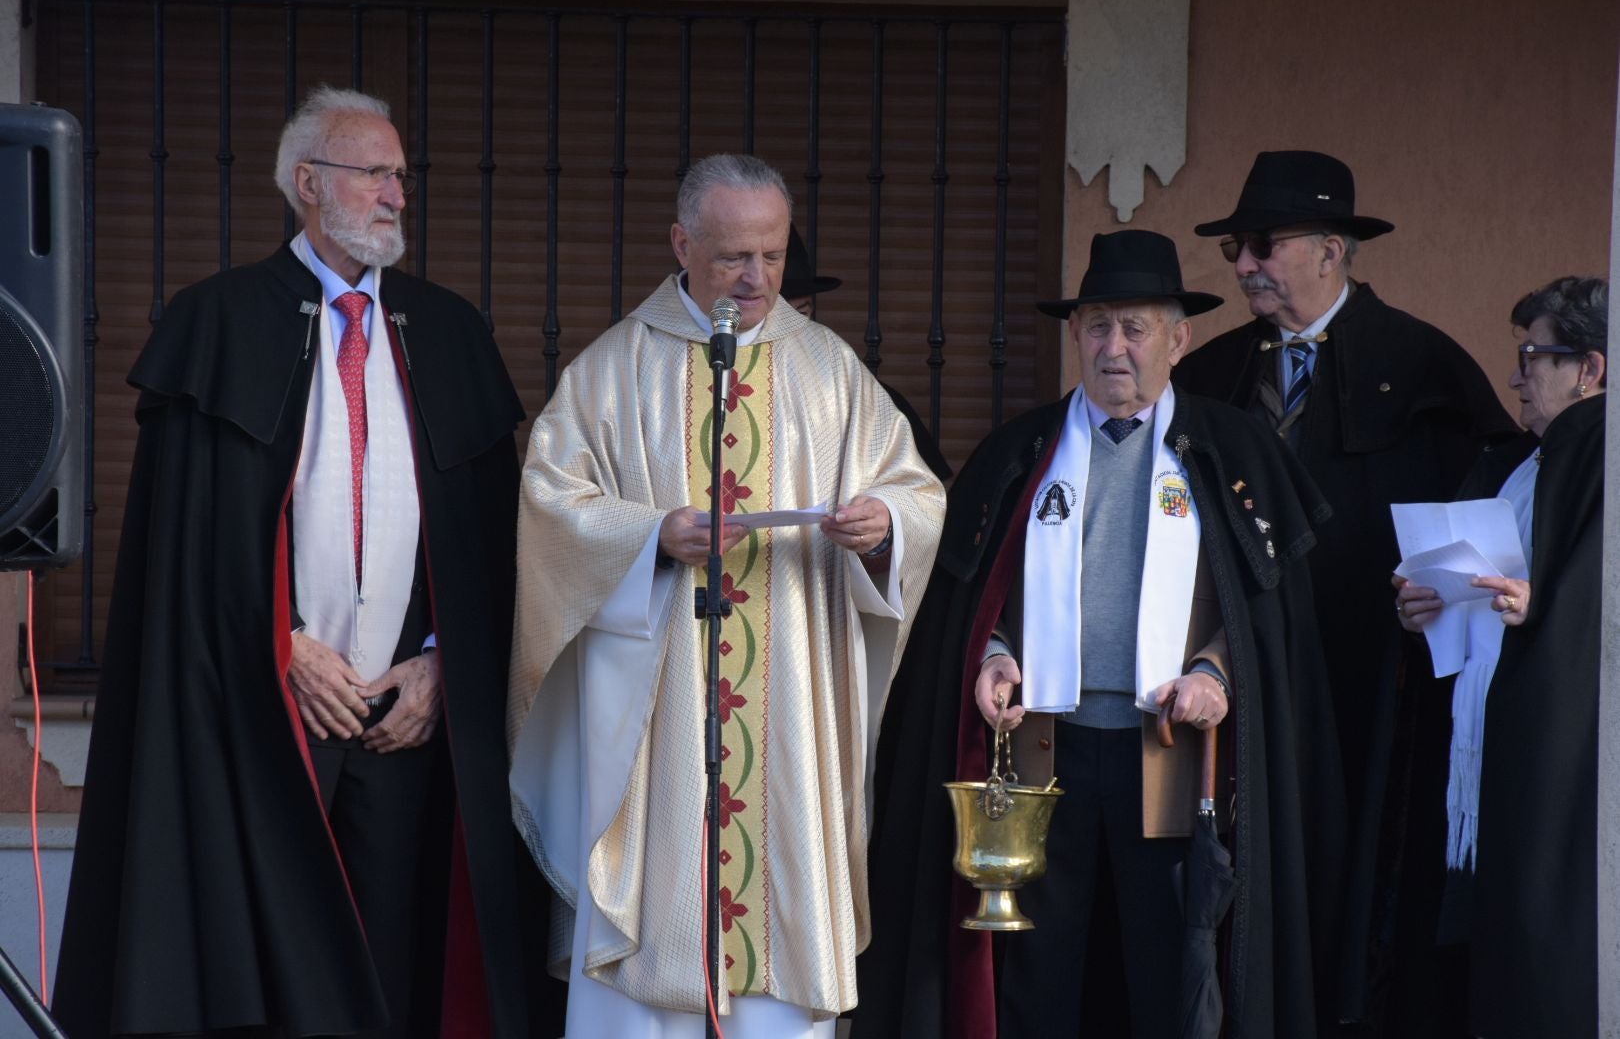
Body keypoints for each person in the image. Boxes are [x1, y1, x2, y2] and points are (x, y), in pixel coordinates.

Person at [53, 86, 542, 1037]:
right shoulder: (219, 322)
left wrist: (444, 661)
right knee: (267, 976)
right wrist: (279, 645)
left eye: (402, 175)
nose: (398, 194)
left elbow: (492, 546)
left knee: (402, 966)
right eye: (375, 174)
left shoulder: (447, 332)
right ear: (309, 185)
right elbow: (183, 556)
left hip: (407, 716)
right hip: (261, 717)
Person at [856, 230, 1346, 1039]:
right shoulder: (1021, 452)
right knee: (1038, 979)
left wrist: (1216, 673)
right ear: (1076, 334)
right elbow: (974, 603)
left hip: (1171, 755)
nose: (1113, 349)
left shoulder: (1232, 452)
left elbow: (1266, 622)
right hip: (1049, 753)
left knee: (1169, 972)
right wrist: (997, 654)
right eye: (1096, 327)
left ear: (1179, 339)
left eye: (1136, 329)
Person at [507, 152, 946, 1038]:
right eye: (734, 257)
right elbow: (551, 507)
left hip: (791, 700)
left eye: (772, 258)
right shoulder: (610, 371)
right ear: (681, 243)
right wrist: (651, 537)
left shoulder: (830, 371)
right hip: (659, 706)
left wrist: (883, 527)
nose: (756, 279)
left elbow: (917, 489)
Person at [1173, 150, 1517, 1020]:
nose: (1244, 264)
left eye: (1261, 243)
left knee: (1357, 888)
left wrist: (1444, 598)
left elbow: (1496, 532)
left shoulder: (1430, 370)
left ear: (1331, 249)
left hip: (1375, 692)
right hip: (1233, 682)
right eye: (1234, 249)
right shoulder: (1207, 378)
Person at [1388, 276, 1606, 1038]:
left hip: (1558, 778)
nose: (1516, 375)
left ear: (1591, 370)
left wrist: (1538, 604)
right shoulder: (1517, 468)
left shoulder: (1600, 459)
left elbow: (1587, 601)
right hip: (1478, 758)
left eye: (1533, 356)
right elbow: (1480, 595)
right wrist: (1427, 603)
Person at [779, 222, 954, 481]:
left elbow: (926, 493)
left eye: (801, 313)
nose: (791, 328)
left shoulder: (869, 399)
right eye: (777, 317)